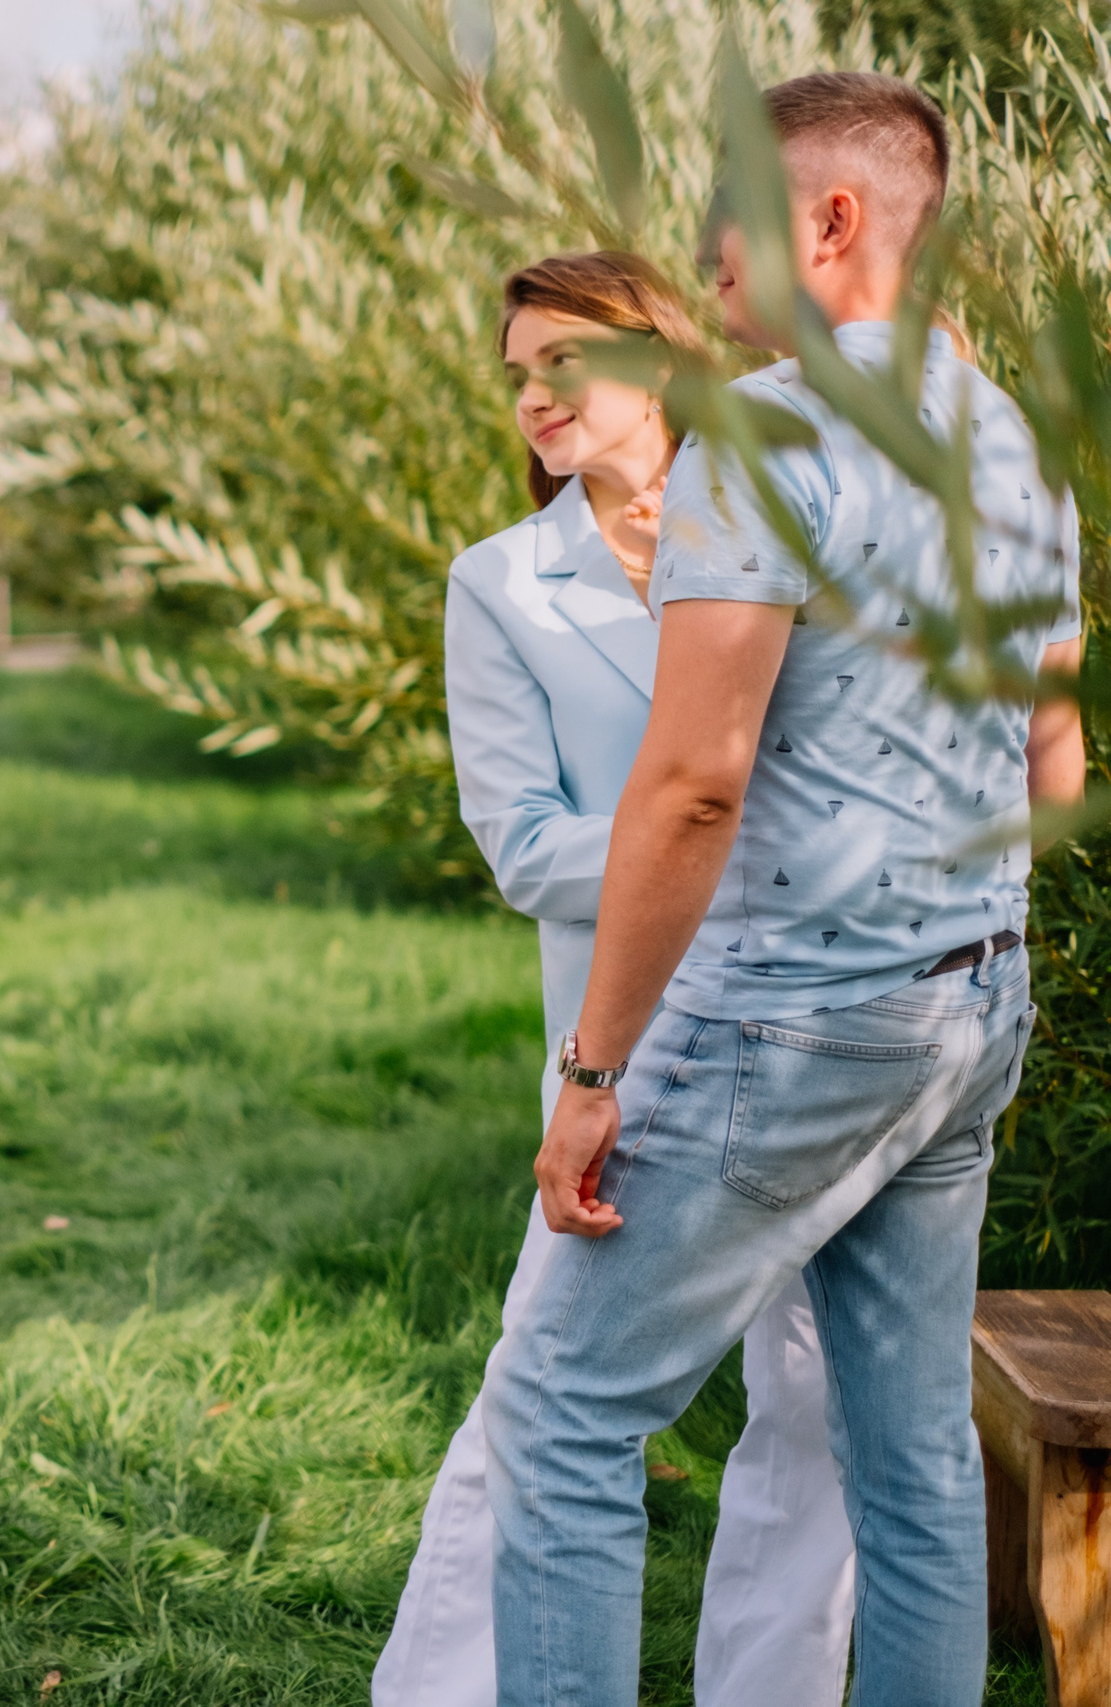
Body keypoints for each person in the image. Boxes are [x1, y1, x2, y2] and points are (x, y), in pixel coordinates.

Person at [487, 73, 1086, 1707]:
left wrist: (593, 1072)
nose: (707, 258)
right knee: (914, 1467)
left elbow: (692, 782)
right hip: (971, 1009)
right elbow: (1057, 757)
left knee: (561, 1415)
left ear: (831, 219)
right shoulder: (1009, 438)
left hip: (794, 1025)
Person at [376, 251, 856, 1707]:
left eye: (561, 363)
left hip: (833, 1026)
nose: (533, 396)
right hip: (627, 1052)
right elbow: (523, 846)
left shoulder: (791, 516)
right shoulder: (500, 585)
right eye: (517, 372)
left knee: (819, 1403)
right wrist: (708, 840)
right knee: (539, 1391)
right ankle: (443, 1692)